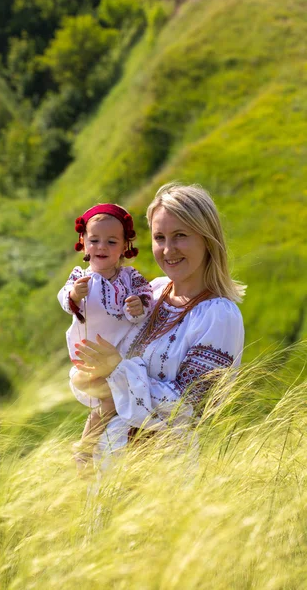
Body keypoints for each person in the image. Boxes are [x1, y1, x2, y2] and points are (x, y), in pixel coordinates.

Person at [72, 183, 246, 469]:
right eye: (159, 237)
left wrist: (117, 369)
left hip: (161, 476)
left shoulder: (218, 315)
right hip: (109, 467)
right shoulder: (153, 292)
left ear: (207, 239)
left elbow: (192, 407)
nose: (168, 249)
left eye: (180, 236)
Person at [57, 203, 154, 466]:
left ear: (125, 246)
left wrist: (139, 305)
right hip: (90, 355)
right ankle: (85, 448)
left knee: (113, 402)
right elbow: (64, 298)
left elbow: (147, 298)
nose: (101, 247)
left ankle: (99, 452)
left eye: (111, 241)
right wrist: (75, 295)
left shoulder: (131, 277)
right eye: (95, 240)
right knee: (110, 400)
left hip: (121, 354)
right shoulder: (81, 277)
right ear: (84, 243)